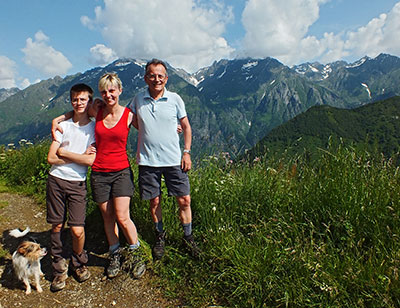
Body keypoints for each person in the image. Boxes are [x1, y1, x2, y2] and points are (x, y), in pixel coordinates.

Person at [52, 73, 145, 279]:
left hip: (121, 171)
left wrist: (174, 129)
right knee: (108, 216)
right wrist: (57, 119)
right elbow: (77, 112)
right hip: (100, 173)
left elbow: (149, 130)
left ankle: (136, 253)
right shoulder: (97, 110)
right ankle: (114, 254)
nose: (108, 95)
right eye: (104, 91)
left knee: (122, 216)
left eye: (112, 90)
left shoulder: (129, 115)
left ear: (120, 91)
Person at [129, 59, 200, 260]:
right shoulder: (137, 99)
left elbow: (186, 127)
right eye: (152, 75)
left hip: (174, 159)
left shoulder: (175, 99)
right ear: (145, 78)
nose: (156, 79)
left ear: (166, 78)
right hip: (148, 160)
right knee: (154, 201)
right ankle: (160, 237)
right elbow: (127, 117)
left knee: (184, 199)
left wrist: (186, 152)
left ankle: (188, 237)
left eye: (160, 76)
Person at [46, 83, 96, 292]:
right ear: (71, 101)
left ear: (89, 101)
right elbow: (50, 158)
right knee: (57, 225)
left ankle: (78, 260)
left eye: (82, 99)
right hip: (56, 180)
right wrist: (78, 157)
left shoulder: (94, 128)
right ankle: (58, 268)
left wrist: (65, 154)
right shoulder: (63, 126)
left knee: (77, 229)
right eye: (75, 99)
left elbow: (90, 161)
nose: (78, 103)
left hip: (77, 183)